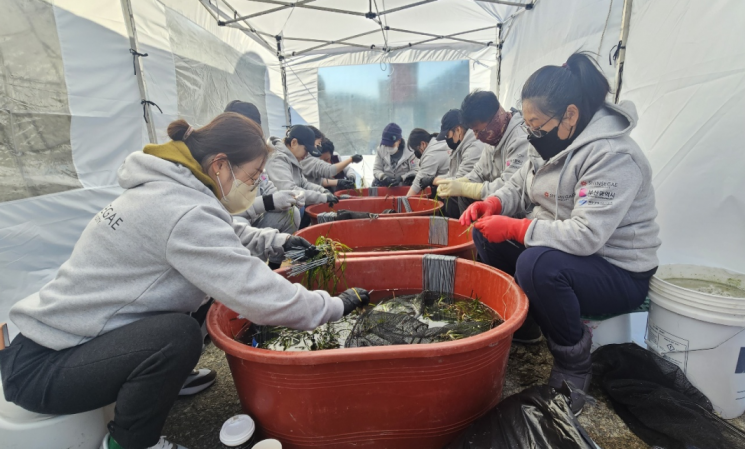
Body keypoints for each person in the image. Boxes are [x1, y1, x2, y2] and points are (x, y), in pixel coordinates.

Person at [0, 113, 371, 449]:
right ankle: (132, 444)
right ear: (220, 164)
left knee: (193, 303)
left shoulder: (174, 190)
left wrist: (281, 243)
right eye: (253, 175)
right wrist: (334, 305)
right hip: (42, 369)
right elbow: (256, 293)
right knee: (176, 336)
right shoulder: (182, 209)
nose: (256, 184)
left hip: (57, 346)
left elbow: (227, 234)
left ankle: (163, 379)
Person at [461, 53, 661, 414]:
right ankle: (527, 325)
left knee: (537, 265)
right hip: (570, 257)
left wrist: (519, 227)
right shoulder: (550, 144)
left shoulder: (612, 154)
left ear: (570, 115)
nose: (533, 134)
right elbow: (519, 187)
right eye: (529, 125)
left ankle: (573, 363)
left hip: (617, 270)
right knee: (486, 237)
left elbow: (586, 235)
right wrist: (493, 204)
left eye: (538, 125)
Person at [225, 101, 303, 248]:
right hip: (231, 224)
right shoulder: (219, 161)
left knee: (292, 213)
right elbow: (228, 211)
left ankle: (272, 267)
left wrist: (286, 197)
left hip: (253, 217)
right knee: (239, 228)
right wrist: (269, 202)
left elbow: (265, 185)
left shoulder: (253, 155)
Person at [435, 90, 530, 204]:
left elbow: (511, 187)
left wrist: (463, 188)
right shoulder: (493, 139)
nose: (476, 136)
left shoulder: (520, 139)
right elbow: (479, 172)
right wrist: (459, 182)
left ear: (494, 120)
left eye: (477, 130)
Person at [265, 125, 339, 229]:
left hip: (289, 210)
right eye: (306, 150)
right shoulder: (277, 160)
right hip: (272, 214)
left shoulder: (293, 159)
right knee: (295, 210)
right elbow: (290, 191)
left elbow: (304, 183)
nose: (307, 154)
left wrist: (323, 191)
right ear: (294, 143)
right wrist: (323, 197)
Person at [433, 109, 484, 218]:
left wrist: (434, 180)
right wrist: (435, 178)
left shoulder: (473, 147)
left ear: (458, 130)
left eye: (447, 135)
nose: (447, 139)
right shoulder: (460, 147)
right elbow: (452, 175)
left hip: (482, 196)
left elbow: (460, 178)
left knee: (452, 198)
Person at [405, 128, 449, 197]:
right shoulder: (436, 142)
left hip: (451, 187)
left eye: (416, 149)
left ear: (423, 144)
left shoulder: (431, 155)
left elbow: (418, 183)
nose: (415, 153)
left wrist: (406, 200)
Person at [373, 122, 418, 187]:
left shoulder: (410, 151)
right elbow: (377, 169)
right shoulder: (380, 149)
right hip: (386, 185)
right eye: (386, 145)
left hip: (405, 185)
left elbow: (416, 170)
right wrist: (383, 177)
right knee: (375, 182)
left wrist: (402, 177)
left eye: (391, 145)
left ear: (399, 141)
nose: (388, 147)